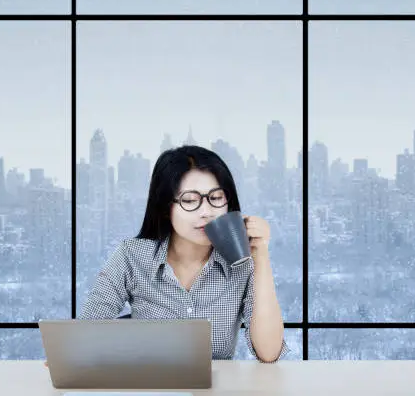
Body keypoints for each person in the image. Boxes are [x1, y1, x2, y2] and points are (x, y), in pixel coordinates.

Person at [78, 145, 288, 363]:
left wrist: (261, 255)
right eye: (189, 201)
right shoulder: (131, 256)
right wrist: (72, 352)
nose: (206, 212)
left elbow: (269, 352)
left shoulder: (240, 261)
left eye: (216, 198)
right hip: (150, 389)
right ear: (165, 207)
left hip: (217, 390)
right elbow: (87, 332)